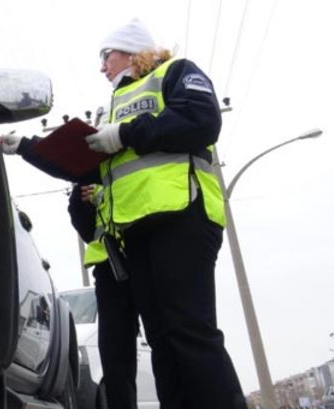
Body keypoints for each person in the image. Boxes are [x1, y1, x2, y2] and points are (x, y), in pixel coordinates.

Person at [83, 18, 247, 409]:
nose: (102, 66)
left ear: (131, 51)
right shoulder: (110, 108)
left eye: (106, 55)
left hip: (183, 216)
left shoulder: (175, 72)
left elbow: (201, 120)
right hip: (135, 230)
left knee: (190, 330)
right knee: (161, 340)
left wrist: (124, 134)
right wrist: (26, 146)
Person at [0, 127, 141, 409]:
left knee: (178, 340)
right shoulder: (92, 172)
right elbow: (87, 229)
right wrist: (84, 201)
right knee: (115, 358)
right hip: (111, 265)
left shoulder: (137, 159)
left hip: (153, 250)